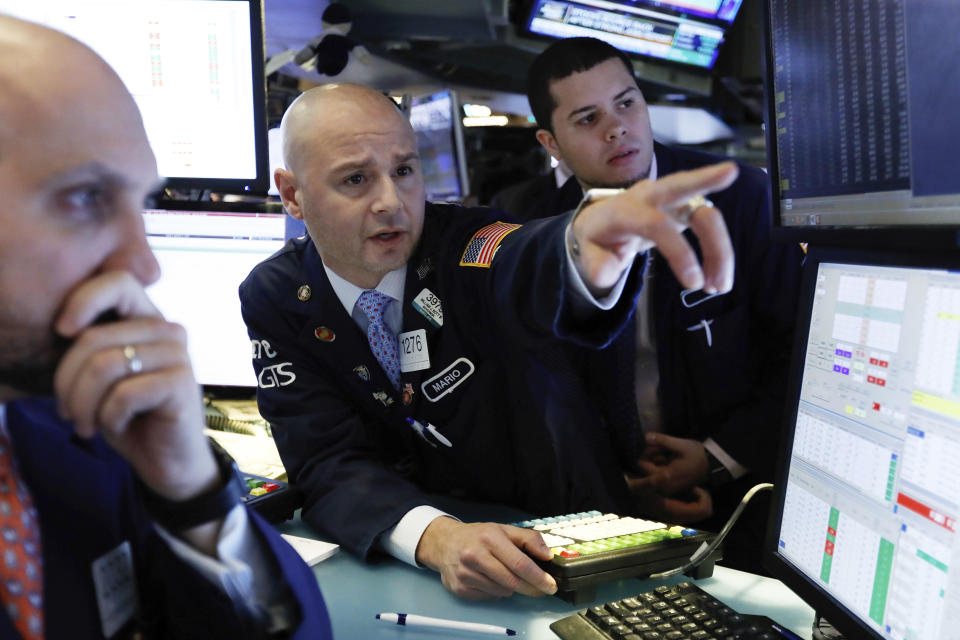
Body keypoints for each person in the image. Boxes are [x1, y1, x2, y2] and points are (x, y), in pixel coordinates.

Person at [240, 81, 740, 600]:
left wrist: (577, 248)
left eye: (405, 171)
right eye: (356, 179)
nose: (391, 202)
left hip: (560, 546)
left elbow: (520, 257)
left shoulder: (467, 244)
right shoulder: (276, 295)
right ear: (293, 194)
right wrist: (438, 537)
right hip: (416, 568)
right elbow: (324, 458)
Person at [0, 15, 332, 639]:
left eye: (142, 203)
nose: (145, 268)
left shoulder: (84, 429)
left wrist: (192, 496)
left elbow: (296, 627)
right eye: (83, 197)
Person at [523, 37, 804, 570]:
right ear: (551, 142)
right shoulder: (529, 230)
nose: (617, 128)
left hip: (739, 501)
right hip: (595, 515)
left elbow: (797, 359)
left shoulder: (740, 197)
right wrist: (614, 487)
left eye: (627, 103)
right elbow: (533, 390)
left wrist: (715, 461)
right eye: (587, 118)